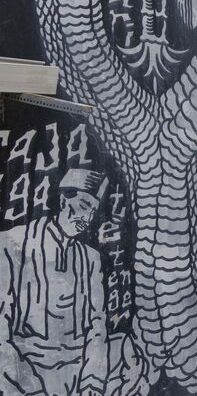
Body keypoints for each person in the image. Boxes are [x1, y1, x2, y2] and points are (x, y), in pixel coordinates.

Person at [0, 169, 108, 395]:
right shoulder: (11, 244)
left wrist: (92, 382)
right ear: (62, 200)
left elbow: (97, 327)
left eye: (93, 212)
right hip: (24, 376)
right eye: (85, 206)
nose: (87, 219)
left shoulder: (90, 258)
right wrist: (29, 387)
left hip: (79, 375)